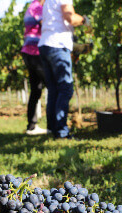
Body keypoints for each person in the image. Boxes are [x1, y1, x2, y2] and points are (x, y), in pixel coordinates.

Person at [38, 0, 88, 139]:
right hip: (57, 44)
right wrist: (84, 20)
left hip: (45, 44)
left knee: (54, 89)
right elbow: (70, 17)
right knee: (65, 88)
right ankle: (61, 131)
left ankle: (53, 128)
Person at [21, 0, 48, 136]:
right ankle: (55, 125)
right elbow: (46, 25)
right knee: (52, 85)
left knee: (36, 90)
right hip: (34, 52)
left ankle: (31, 126)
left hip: (28, 52)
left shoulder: (31, 6)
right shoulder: (37, 7)